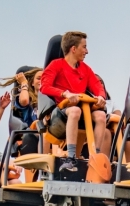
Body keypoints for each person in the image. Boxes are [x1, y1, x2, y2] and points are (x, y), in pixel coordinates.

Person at [39, 31, 108, 173]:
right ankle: (71, 158)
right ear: (73, 49)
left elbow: (97, 86)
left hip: (83, 110)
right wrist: (64, 93)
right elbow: (44, 87)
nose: (87, 51)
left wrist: (101, 97)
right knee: (75, 111)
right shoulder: (56, 65)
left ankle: (94, 156)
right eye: (84, 47)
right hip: (60, 113)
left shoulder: (85, 69)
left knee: (101, 116)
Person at [0, 67, 44, 154]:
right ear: (32, 83)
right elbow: (24, 101)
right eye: (39, 78)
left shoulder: (51, 101)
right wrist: (24, 84)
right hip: (33, 135)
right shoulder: (28, 100)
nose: (42, 80)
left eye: (45, 78)